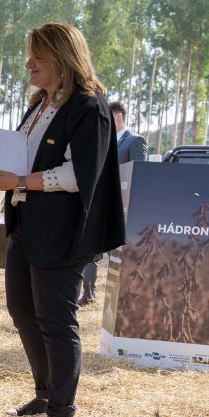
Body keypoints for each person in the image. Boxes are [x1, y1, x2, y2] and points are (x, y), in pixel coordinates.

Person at [0, 23, 125, 417]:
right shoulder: (40, 104)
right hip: (26, 224)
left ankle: (61, 414)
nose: (28, 63)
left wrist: (19, 182)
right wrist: (0, 177)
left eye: (37, 55)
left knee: (56, 319)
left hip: (63, 233)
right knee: (23, 310)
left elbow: (81, 175)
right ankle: (44, 394)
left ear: (62, 58)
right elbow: (27, 163)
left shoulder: (88, 106)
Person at [79, 99, 147, 305]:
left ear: (118, 116)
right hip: (99, 205)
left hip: (122, 207)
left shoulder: (135, 141)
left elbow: (139, 172)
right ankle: (88, 294)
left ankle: (128, 296)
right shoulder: (103, 140)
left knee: (122, 255)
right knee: (92, 250)